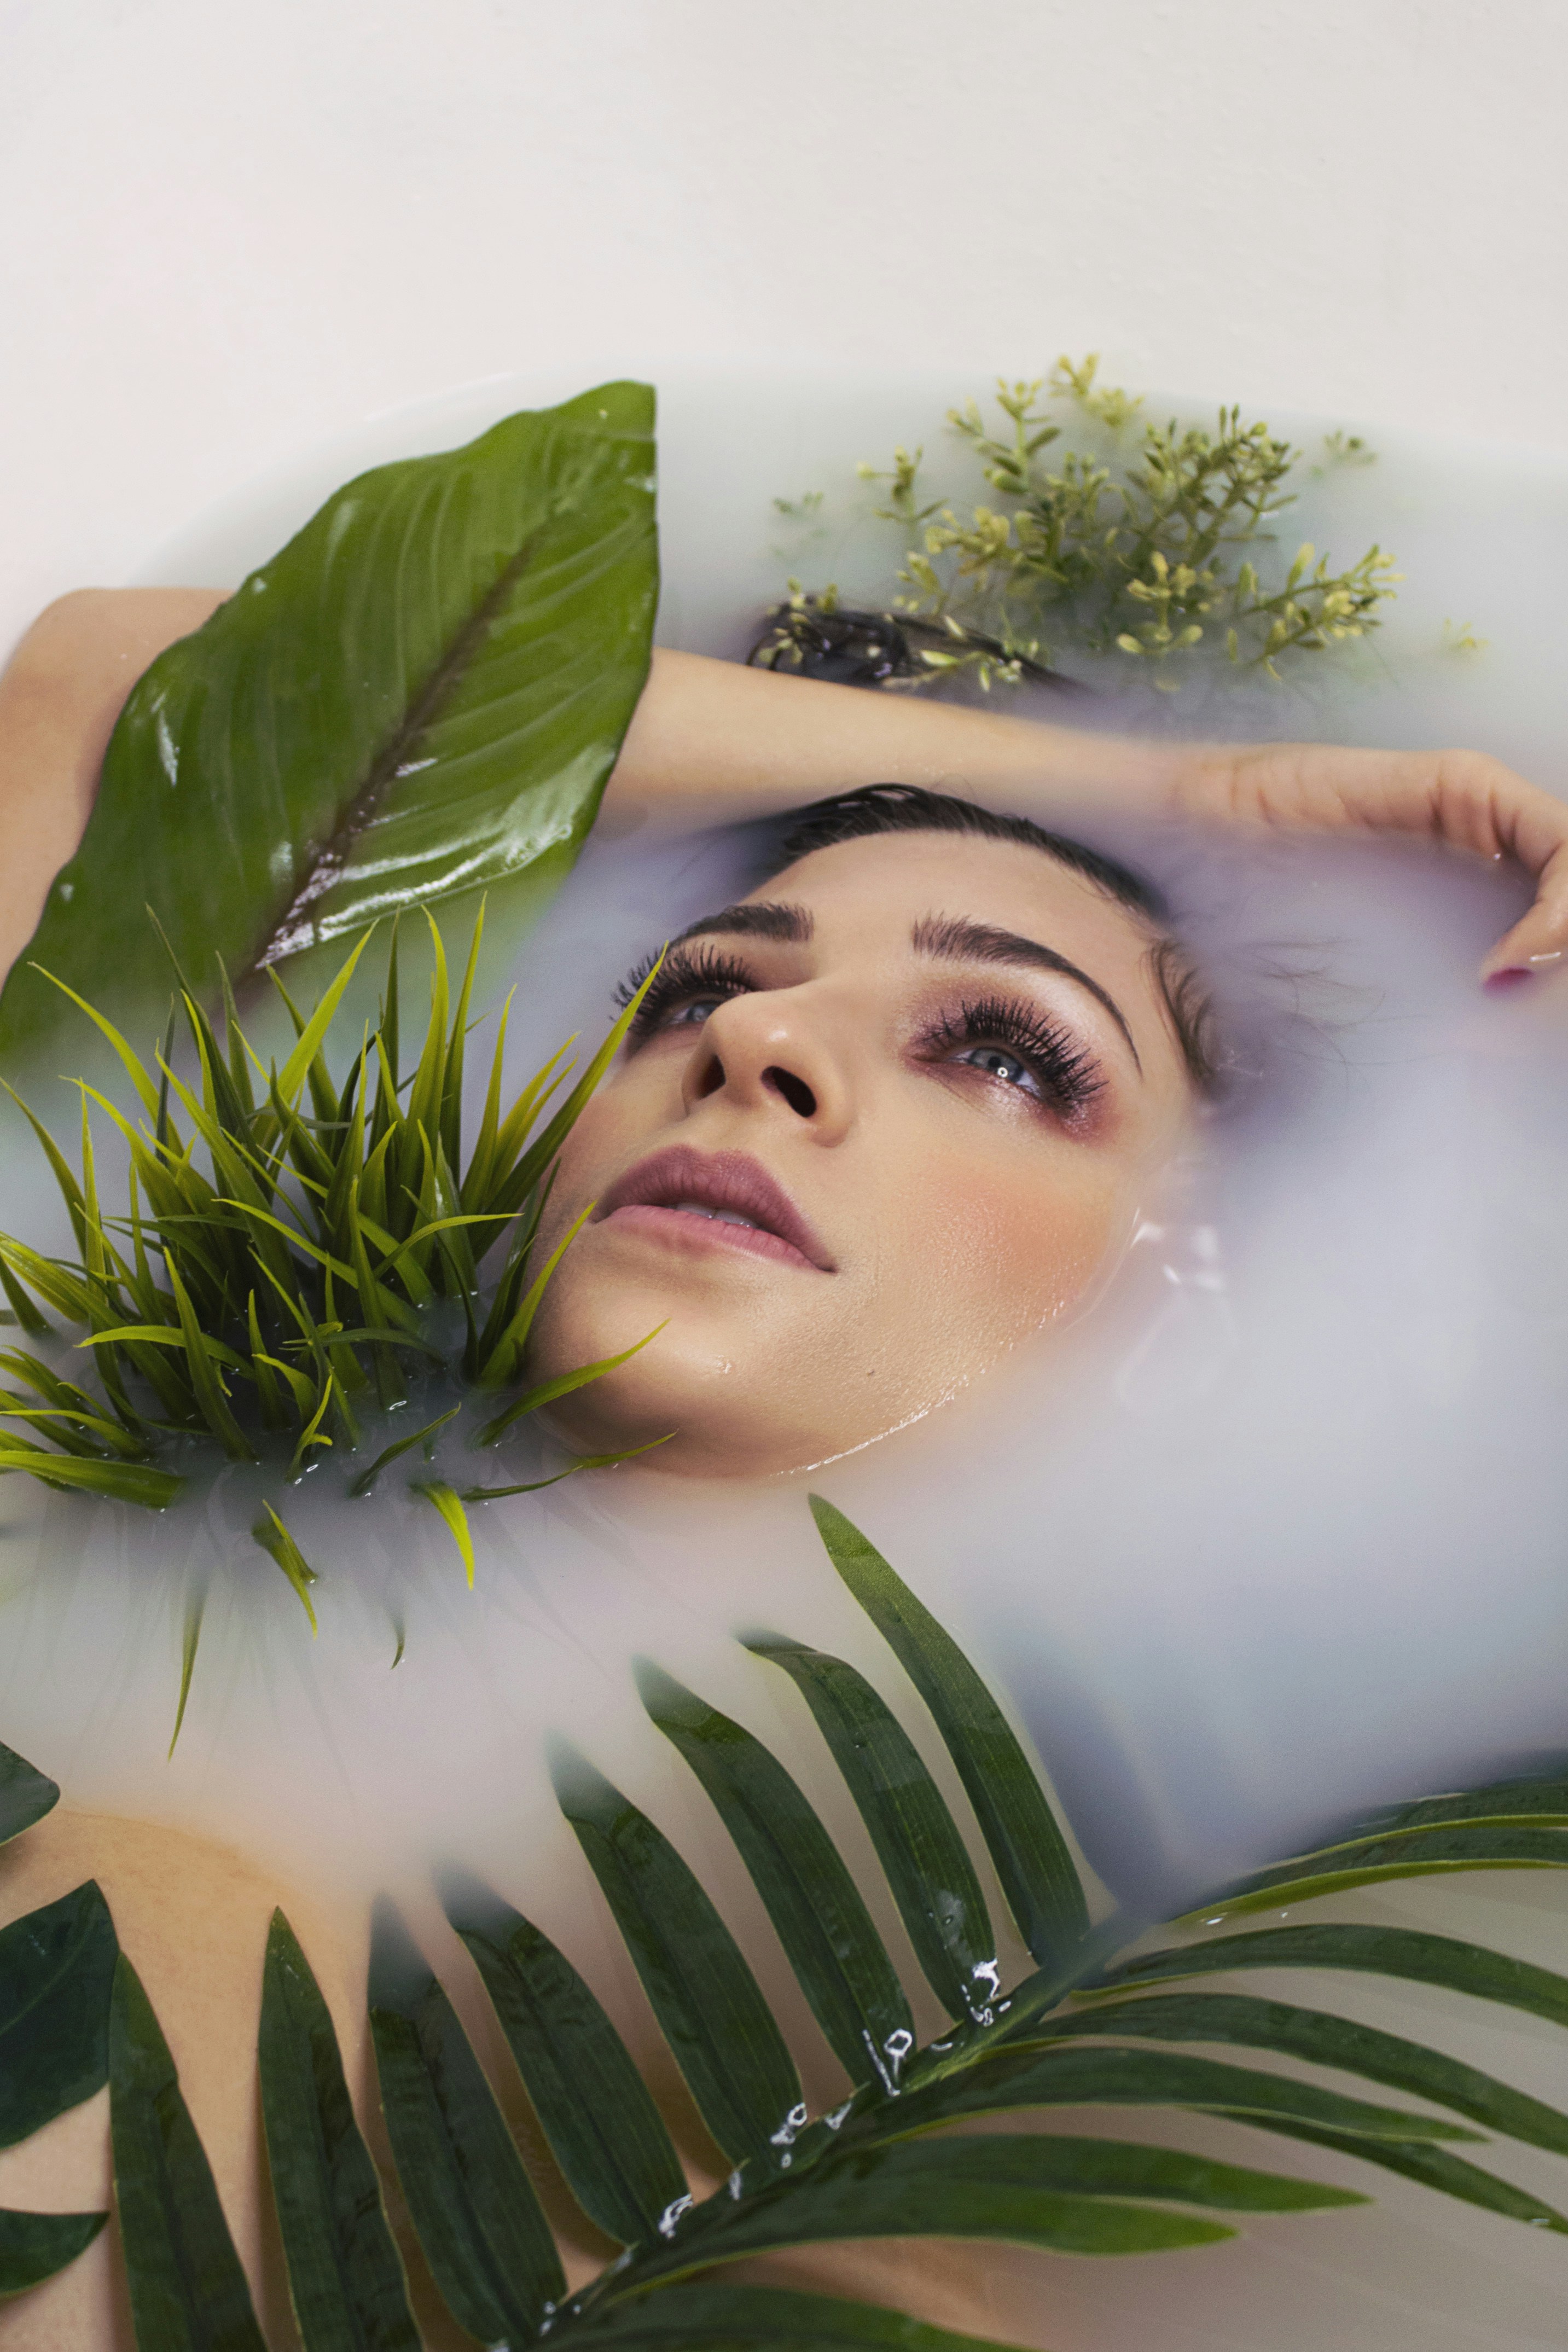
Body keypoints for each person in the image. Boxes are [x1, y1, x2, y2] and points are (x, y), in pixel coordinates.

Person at [2, 589, 1567, 2348]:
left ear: (1217, 1279)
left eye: (1000, 1048)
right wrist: (1187, 792)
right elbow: (117, 678)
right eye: (697, 987)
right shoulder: (89, 1400)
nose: (753, 1044)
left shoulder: (1050, 1905)